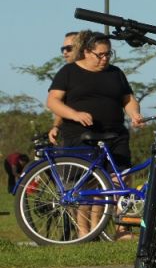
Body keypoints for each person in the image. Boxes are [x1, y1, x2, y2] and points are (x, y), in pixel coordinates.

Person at [46, 30, 144, 239]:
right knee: (88, 185)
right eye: (100, 54)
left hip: (114, 134)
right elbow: (53, 101)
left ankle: (121, 228)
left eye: (108, 54)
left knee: (119, 180)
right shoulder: (69, 72)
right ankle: (85, 232)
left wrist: (135, 114)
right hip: (81, 136)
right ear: (86, 52)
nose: (105, 58)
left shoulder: (115, 73)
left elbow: (128, 99)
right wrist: (75, 114)